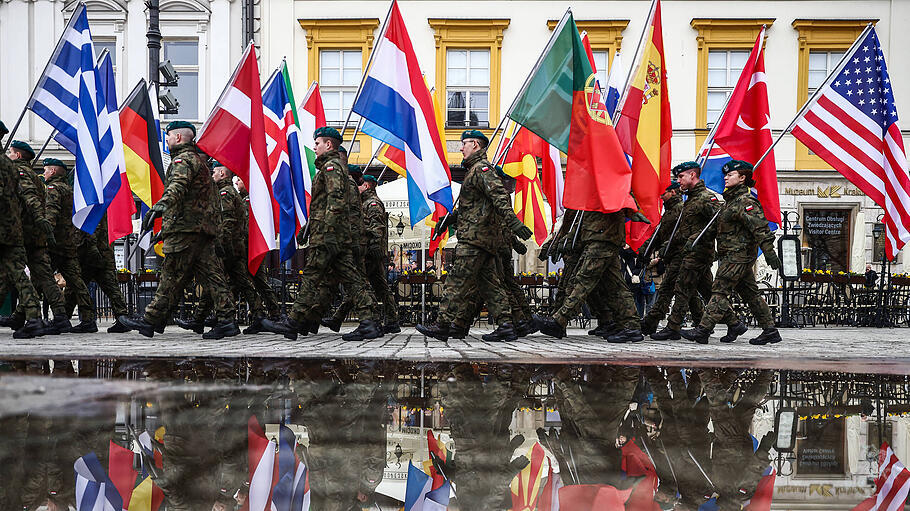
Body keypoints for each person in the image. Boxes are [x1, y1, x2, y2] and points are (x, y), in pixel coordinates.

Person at [119, 121, 239, 339]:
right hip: (202, 231)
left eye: (169, 136)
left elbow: (177, 186)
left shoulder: (182, 161)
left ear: (179, 138)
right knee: (213, 277)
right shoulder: (199, 163)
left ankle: (150, 319)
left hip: (186, 230)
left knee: (170, 274)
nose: (167, 140)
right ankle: (227, 320)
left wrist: (160, 206)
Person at [262, 126, 382, 341]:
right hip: (335, 235)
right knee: (353, 279)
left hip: (328, 236)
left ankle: (293, 321)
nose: (314, 147)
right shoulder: (333, 167)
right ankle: (369, 322)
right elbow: (323, 204)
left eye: (317, 143)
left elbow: (335, 200)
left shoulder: (331, 168)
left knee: (312, 276)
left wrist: (326, 231)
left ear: (328, 145)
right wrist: (309, 228)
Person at [415, 130, 533, 341]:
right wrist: (450, 219)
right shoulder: (475, 171)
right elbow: (474, 207)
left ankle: (442, 324)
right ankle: (506, 326)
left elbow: (499, 196)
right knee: (491, 284)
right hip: (481, 239)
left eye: (464, 144)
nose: (461, 148)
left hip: (475, 238)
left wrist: (514, 223)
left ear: (476, 145)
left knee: (456, 281)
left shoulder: (482, 169)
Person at [680, 160, 782, 345]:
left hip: (739, 255)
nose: (725, 177)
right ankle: (770, 331)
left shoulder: (746, 202)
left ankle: (703, 330)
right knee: (750, 294)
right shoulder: (730, 202)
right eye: (725, 174)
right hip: (730, 255)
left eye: (730, 175)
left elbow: (760, 228)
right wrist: (692, 241)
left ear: (743, 178)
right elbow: (713, 229)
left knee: (719, 290)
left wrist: (769, 252)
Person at [175, 162, 266, 334]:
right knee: (236, 283)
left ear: (223, 174)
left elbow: (227, 225)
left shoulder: (225, 193)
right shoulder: (226, 193)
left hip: (229, 249)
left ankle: (214, 319)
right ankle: (203, 319)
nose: (212, 174)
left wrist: (221, 248)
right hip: (234, 248)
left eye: (215, 171)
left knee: (216, 282)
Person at [539, 209, 643, 343]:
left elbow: (618, 203)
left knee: (583, 281)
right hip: (597, 237)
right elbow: (577, 222)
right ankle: (629, 325)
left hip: (602, 237)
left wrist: (633, 210)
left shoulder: (605, 190)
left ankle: (560, 320)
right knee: (615, 286)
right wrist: (566, 240)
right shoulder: (591, 193)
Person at [652, 161, 726, 341]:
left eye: (681, 177)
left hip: (699, 252)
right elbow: (683, 230)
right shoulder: (691, 199)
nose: (678, 181)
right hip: (689, 252)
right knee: (706, 290)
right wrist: (665, 246)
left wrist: (715, 248)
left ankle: (673, 326)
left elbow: (719, 222)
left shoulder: (706, 198)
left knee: (683, 288)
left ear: (692, 175)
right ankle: (734, 323)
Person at [2, 140, 71, 334]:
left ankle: (31, 317)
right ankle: (60, 317)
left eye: (10, 152)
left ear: (18, 156)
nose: (8, 154)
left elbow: (29, 196)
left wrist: (40, 220)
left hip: (26, 234)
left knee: (11, 272)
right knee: (45, 278)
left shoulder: (20, 173)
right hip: (37, 237)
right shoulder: (36, 176)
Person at [323, 174, 400, 333]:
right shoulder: (364, 202)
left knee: (359, 284)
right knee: (380, 287)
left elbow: (377, 228)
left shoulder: (371, 203)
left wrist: (371, 248)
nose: (355, 187)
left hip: (371, 252)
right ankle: (392, 321)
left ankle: (369, 320)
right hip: (372, 251)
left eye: (359, 184)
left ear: (366, 186)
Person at [640, 180, 704, 335]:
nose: (661, 197)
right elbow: (659, 234)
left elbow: (679, 235)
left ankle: (660, 323)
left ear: (673, 192)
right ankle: (704, 322)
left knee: (670, 289)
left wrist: (663, 248)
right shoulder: (670, 211)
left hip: (681, 255)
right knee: (690, 290)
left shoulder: (680, 210)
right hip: (673, 256)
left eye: (664, 193)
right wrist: (644, 251)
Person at [0, 121, 45, 338]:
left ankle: (34, 318)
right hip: (12, 228)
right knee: (14, 274)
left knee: (16, 274)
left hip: (3, 229)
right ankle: (34, 318)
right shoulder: (9, 166)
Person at [43, 158, 98, 332]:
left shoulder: (53, 189)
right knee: (77, 282)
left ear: (52, 171)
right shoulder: (70, 190)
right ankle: (89, 319)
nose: (44, 173)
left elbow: (51, 215)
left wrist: (45, 237)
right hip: (69, 244)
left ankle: (36, 317)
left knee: (41, 279)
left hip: (55, 244)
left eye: (45, 170)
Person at [66, 203, 131, 333]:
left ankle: (80, 320)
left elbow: (91, 230)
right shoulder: (100, 205)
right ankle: (123, 318)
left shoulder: (90, 204)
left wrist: (91, 250)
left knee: (76, 287)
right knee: (111, 288)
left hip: (90, 255)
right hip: (103, 253)